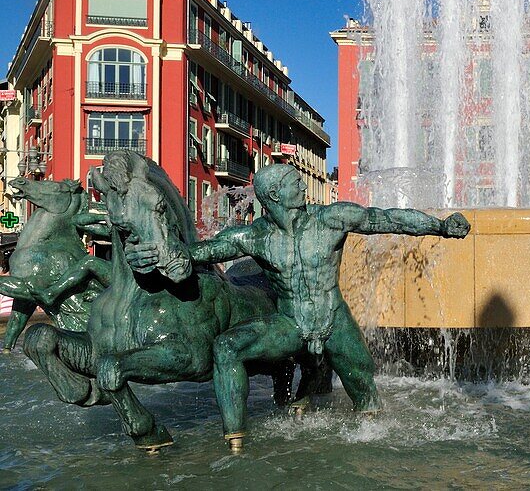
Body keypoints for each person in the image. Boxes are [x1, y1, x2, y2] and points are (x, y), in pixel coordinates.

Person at [125, 163, 471, 451]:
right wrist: (147, 256)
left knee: (364, 387)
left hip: (333, 321)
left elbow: (386, 219)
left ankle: (371, 443)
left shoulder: (332, 218)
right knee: (227, 346)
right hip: (288, 324)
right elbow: (198, 254)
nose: (303, 186)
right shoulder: (254, 236)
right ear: (275, 195)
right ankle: (235, 441)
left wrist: (439, 227)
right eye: (294, 182)